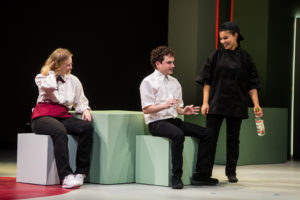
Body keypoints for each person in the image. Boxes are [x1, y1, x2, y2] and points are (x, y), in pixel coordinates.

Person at [139, 46, 219, 189]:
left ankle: (202, 175)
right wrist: (164, 105)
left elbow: (176, 108)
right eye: (169, 62)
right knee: (178, 135)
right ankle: (176, 176)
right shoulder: (148, 82)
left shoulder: (174, 82)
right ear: (158, 64)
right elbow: (146, 109)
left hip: (172, 120)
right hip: (156, 122)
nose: (173, 65)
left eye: (173, 62)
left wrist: (183, 111)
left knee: (208, 133)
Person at [196, 21, 263, 183]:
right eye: (221, 39)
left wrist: (256, 104)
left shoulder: (246, 58)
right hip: (216, 103)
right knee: (210, 138)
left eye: (226, 38)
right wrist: (205, 103)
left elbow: (252, 85)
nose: (223, 41)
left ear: (235, 36)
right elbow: (207, 82)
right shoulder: (215, 56)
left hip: (236, 104)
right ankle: (204, 173)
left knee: (233, 140)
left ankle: (231, 172)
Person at [31, 48, 93, 189]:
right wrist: (52, 72)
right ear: (57, 64)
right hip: (42, 116)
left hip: (62, 115)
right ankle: (65, 176)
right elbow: (50, 87)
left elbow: (81, 101)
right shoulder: (43, 77)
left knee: (86, 128)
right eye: (67, 64)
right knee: (60, 131)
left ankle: (81, 172)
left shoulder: (74, 80)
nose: (71, 67)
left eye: (71, 64)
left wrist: (86, 110)